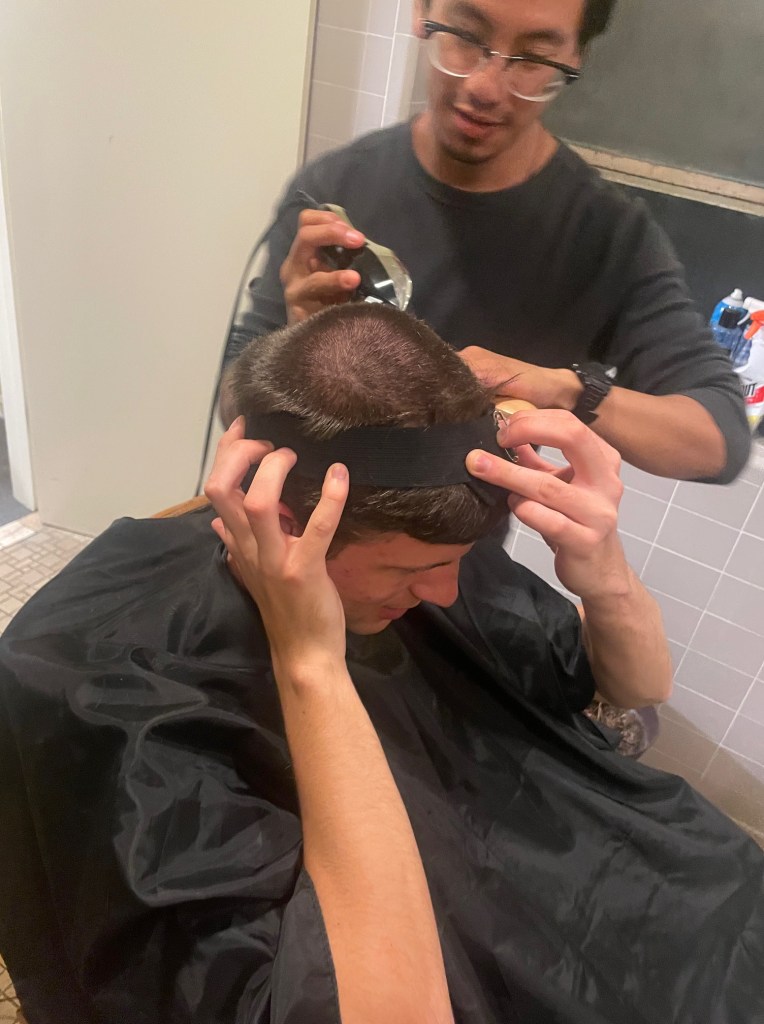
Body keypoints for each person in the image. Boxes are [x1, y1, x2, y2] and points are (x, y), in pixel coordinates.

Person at [0, 304, 762, 1024]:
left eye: (458, 560)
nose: (446, 592)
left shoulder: (426, 542)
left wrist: (605, 574)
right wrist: (312, 663)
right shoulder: (102, 675)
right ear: (289, 524)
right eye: (409, 572)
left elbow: (638, 690)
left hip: (623, 888)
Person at [220, 0, 750, 485]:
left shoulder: (607, 237)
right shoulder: (335, 189)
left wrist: (567, 391)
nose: (485, 87)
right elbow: (232, 401)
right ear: (422, 12)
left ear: (576, 57)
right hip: (285, 525)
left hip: (449, 553)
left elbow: (718, 439)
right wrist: (294, 346)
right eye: (466, 37)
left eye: (533, 59)